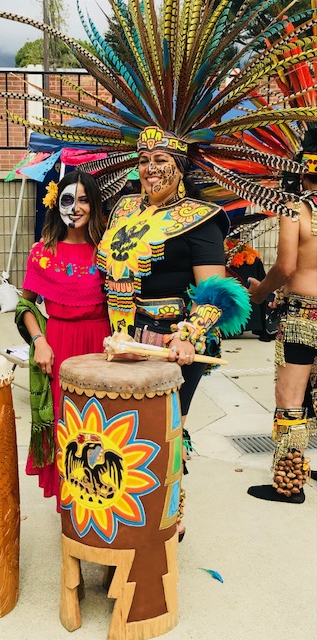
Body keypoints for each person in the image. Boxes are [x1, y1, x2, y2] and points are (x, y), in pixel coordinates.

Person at [98, 126, 252, 539]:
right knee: (124, 425)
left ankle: (171, 513)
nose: (150, 168)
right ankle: (129, 507)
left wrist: (188, 334)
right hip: (123, 336)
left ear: (180, 167)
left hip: (171, 341)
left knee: (165, 426)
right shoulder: (124, 209)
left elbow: (216, 293)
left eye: (161, 160)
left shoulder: (201, 219)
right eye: (144, 159)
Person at [15, 170, 111, 510]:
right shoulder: (43, 252)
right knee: (66, 428)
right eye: (68, 199)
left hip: (101, 348)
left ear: (95, 204)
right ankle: (69, 508)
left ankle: (100, 504)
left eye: (84, 199)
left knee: (101, 429)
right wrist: (39, 340)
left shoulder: (110, 250)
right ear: (56, 204)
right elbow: (26, 304)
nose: (76, 207)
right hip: (59, 348)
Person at [247, 132, 317, 504]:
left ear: (303, 169)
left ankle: (288, 483)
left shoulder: (295, 209)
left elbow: (287, 266)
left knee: (291, 398)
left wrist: (260, 291)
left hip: (305, 315)